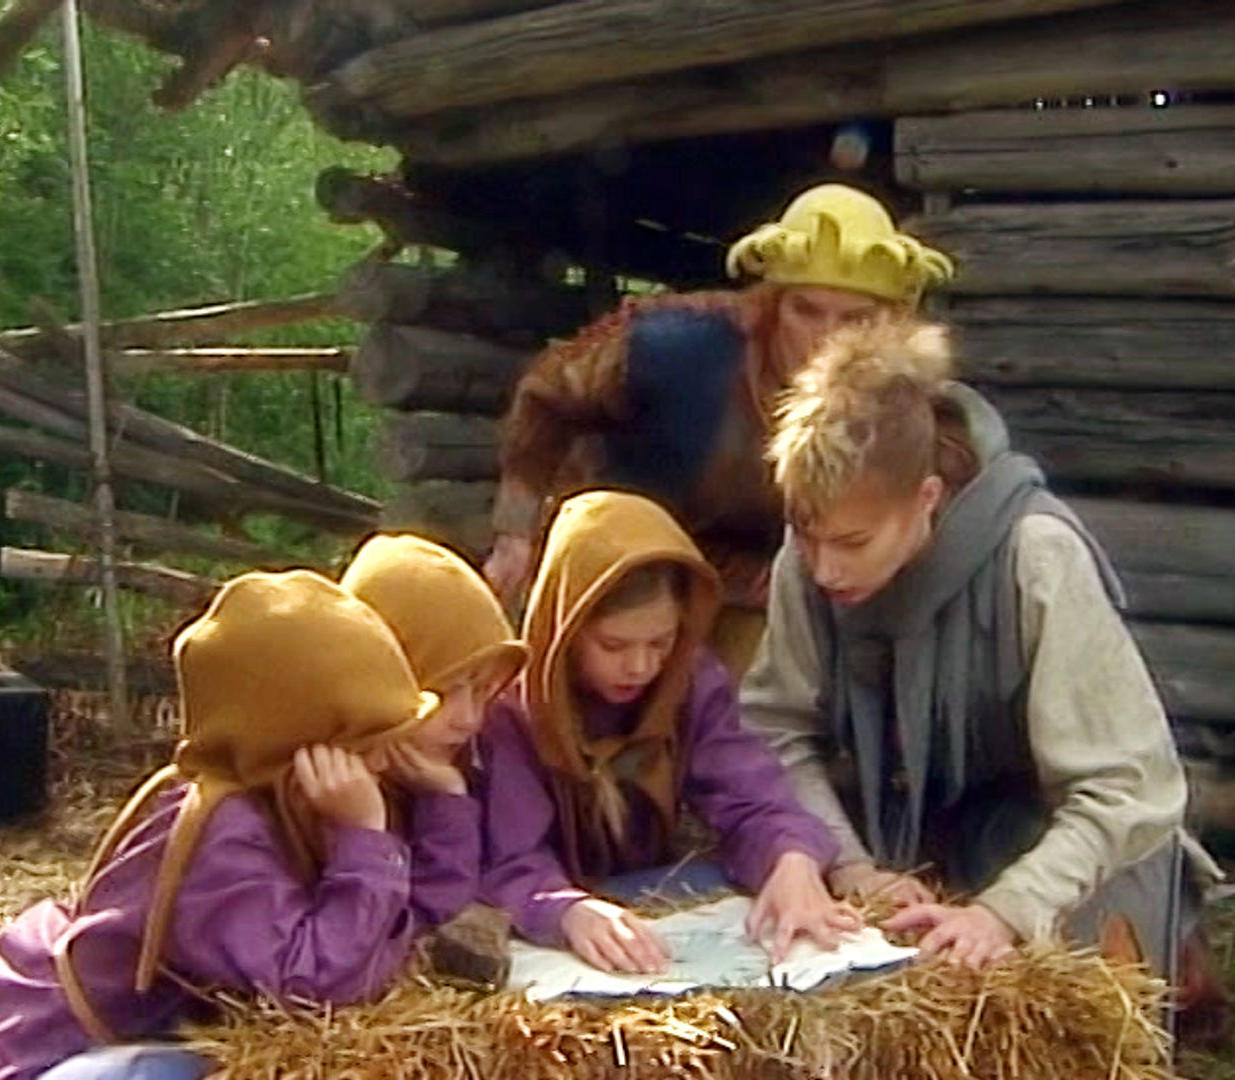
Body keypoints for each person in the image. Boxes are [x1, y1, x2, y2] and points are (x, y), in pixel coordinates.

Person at [740, 317, 1222, 982]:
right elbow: (775, 730)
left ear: (927, 499)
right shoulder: (809, 559)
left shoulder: (1037, 556)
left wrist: (1006, 912)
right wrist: (848, 864)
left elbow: (1127, 788)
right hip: (904, 839)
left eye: (853, 544)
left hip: (1060, 850)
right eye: (808, 536)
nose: (825, 569)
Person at [0, 571, 482, 1080]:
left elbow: (398, 925)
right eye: (366, 747)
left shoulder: (297, 805)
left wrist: (445, 805)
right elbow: (313, 988)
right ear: (296, 745)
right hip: (59, 1052)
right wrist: (364, 839)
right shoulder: (222, 836)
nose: (382, 764)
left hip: (134, 1041)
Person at [483, 183, 954, 675]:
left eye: (854, 318)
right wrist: (515, 533)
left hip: (757, 591)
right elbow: (547, 393)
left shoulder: (899, 398)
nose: (826, 337)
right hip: (624, 567)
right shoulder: (676, 346)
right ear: (773, 304)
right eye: (806, 310)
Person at [475, 491, 857, 974]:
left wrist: (790, 858)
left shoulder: (689, 682)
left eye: (661, 641)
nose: (640, 666)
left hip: (658, 899)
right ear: (566, 631)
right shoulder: (514, 713)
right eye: (614, 645)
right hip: (569, 930)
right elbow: (510, 857)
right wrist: (565, 910)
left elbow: (751, 794)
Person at [341, 532, 528, 765]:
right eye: (441, 695)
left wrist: (452, 787)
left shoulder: (482, 764)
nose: (468, 720)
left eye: (482, 691)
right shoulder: (315, 780)